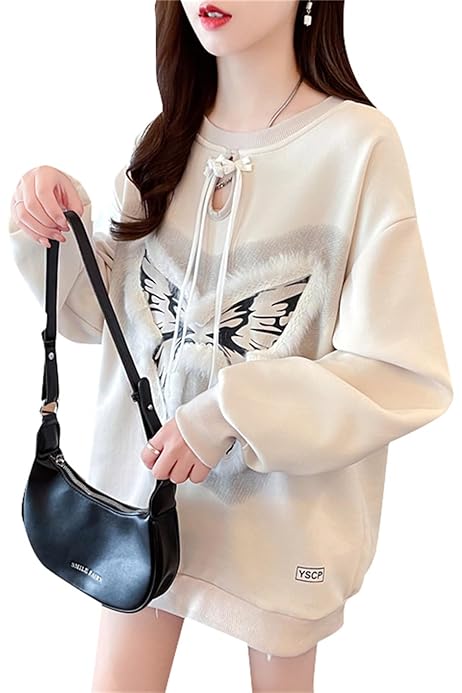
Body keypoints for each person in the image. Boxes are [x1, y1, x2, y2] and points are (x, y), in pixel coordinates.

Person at [8, 1, 454, 692]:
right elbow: (113, 324)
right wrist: (56, 230)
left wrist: (227, 413)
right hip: (140, 515)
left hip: (282, 542)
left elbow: (400, 371)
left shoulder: (358, 148)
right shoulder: (166, 139)